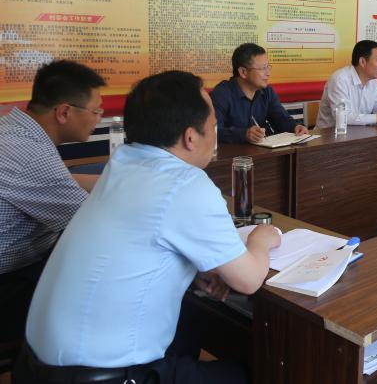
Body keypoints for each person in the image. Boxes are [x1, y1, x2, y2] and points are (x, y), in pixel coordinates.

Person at [16, 71, 281, 384]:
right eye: (213, 126)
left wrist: (194, 271)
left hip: (34, 367)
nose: (215, 134)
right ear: (191, 137)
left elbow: (139, 240)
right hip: (99, 377)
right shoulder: (186, 183)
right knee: (265, 372)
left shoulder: (122, 164)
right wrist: (262, 239)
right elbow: (248, 279)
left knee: (190, 328)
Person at [0, 60, 105, 346]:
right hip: (10, 285)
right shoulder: (30, 154)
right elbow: (95, 224)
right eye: (96, 111)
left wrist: (119, 182)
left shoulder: (13, 129)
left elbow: (63, 181)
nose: (99, 118)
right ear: (64, 112)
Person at [211, 43, 307, 144]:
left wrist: (295, 126)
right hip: (232, 153)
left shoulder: (266, 91)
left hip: (263, 150)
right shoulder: (221, 94)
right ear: (243, 72)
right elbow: (213, 132)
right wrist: (243, 134)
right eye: (262, 68)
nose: (268, 73)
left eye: (268, 67)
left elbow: (280, 118)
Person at [316, 40, 377, 128]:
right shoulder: (339, 79)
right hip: (330, 134)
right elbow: (342, 117)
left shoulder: (372, 81)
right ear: (362, 62)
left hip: (359, 133)